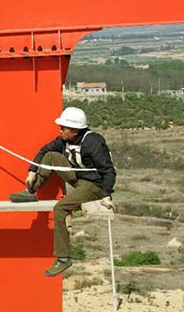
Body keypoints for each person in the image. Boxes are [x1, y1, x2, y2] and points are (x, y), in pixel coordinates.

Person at [9, 106, 116, 277]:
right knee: (51, 155)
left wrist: (106, 194)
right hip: (77, 178)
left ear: (75, 131)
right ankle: (31, 191)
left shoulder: (93, 142)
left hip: (93, 185)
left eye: (63, 128)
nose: (60, 131)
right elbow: (44, 151)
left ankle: (63, 258)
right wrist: (32, 171)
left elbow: (108, 170)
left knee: (60, 208)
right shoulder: (64, 140)